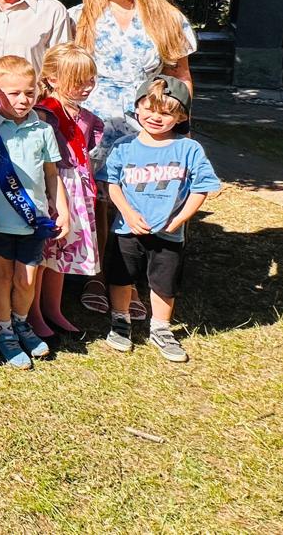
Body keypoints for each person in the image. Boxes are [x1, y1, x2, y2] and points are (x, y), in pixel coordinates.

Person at [70, 0, 198, 314]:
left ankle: (127, 281)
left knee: (137, 198)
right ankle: (95, 274)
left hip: (148, 122)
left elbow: (180, 75)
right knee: (96, 201)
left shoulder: (166, 17)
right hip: (93, 121)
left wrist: (181, 127)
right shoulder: (79, 18)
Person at [98, 76, 221, 363]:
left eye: (166, 112)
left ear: (181, 117)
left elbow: (202, 188)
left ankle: (161, 328)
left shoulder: (188, 149)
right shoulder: (124, 146)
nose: (156, 117)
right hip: (128, 228)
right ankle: (120, 320)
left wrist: (179, 221)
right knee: (121, 276)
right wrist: (127, 213)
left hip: (169, 233)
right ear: (137, 108)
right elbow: (111, 183)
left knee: (164, 282)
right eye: (149, 109)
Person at [0, 56, 71, 372]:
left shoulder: (43, 129)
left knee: (27, 278)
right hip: (1, 222)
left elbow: (52, 174)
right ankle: (4, 331)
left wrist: (63, 210)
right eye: (14, 93)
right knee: (3, 277)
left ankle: (21, 323)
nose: (23, 99)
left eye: (29, 92)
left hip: (35, 221)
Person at [31, 43, 103, 337]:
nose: (86, 87)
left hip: (77, 187)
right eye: (78, 81)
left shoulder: (82, 113)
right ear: (53, 79)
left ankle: (53, 308)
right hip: (54, 188)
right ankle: (33, 311)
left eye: (90, 80)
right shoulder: (45, 113)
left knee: (58, 256)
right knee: (43, 254)